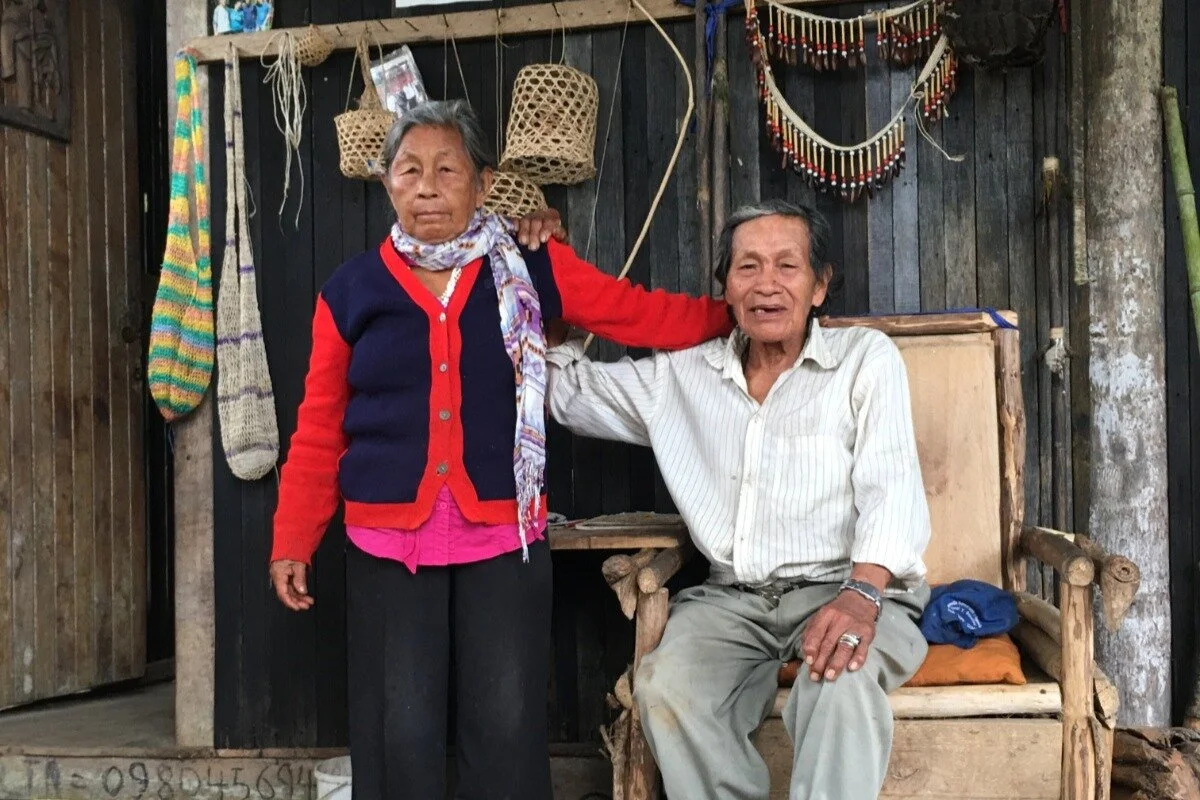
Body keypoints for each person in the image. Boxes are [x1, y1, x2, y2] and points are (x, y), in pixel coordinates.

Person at [268, 99, 731, 800]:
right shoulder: (350, 292)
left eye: (447, 169)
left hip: (502, 537)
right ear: (387, 183)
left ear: (481, 184)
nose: (427, 186)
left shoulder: (533, 269)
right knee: (399, 732)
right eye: (408, 169)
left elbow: (639, 312)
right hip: (388, 542)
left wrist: (741, 314)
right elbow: (320, 424)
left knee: (506, 728)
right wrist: (292, 538)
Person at [546, 199, 933, 799]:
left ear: (820, 286)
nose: (767, 285)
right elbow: (567, 393)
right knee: (667, 685)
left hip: (850, 589)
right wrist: (552, 290)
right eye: (747, 267)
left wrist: (860, 595)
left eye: (787, 266)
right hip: (733, 602)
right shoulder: (682, 376)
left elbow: (891, 487)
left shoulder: (864, 360)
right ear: (725, 288)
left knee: (841, 680)